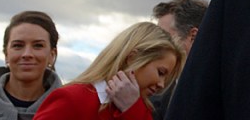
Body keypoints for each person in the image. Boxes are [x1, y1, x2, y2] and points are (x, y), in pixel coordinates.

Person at [34, 22, 184, 120]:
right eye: (161, 73)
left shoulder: (141, 109)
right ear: (132, 58)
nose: (161, 84)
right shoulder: (72, 98)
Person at [149, 0, 208, 120]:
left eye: (163, 36)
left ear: (193, 36)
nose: (155, 43)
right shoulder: (158, 88)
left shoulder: (215, 90)